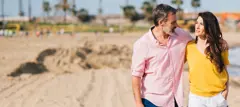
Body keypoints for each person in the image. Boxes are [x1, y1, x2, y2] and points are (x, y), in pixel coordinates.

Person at [131, 4, 192, 107]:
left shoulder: (181, 35)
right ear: (161, 23)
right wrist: (138, 103)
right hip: (152, 101)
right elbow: (136, 76)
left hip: (175, 99)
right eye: (173, 22)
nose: (177, 25)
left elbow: (197, 46)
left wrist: (219, 42)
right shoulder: (142, 44)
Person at [186, 11, 229, 107]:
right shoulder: (189, 46)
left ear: (209, 26)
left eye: (201, 24)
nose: (197, 26)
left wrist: (226, 91)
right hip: (196, 98)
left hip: (218, 97)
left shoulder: (220, 46)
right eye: (196, 23)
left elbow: (225, 70)